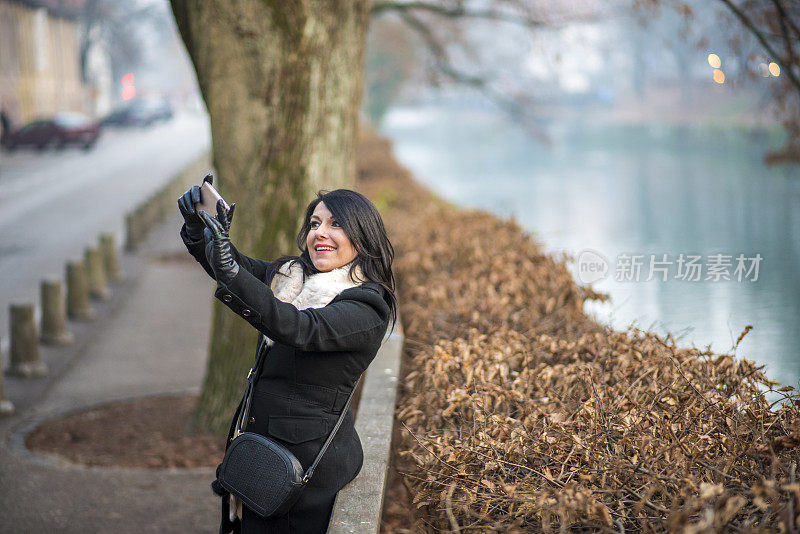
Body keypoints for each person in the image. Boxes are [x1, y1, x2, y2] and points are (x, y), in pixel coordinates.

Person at [178, 177, 397, 534]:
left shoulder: (367, 306)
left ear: (364, 236)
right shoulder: (292, 278)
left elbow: (299, 328)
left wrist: (231, 271)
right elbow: (234, 265)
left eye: (336, 224)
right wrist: (196, 227)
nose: (320, 233)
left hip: (303, 474)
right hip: (261, 452)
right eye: (315, 224)